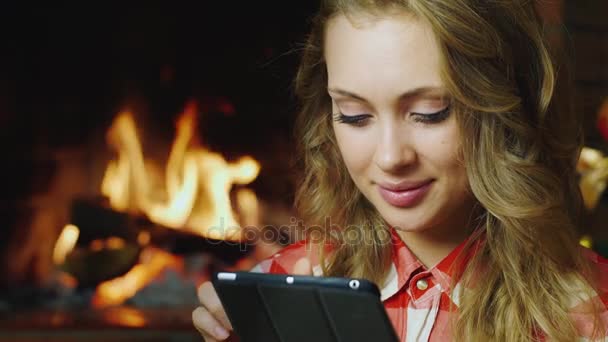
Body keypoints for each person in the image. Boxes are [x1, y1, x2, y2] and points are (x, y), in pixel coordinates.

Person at [193, 0, 608, 340]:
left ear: (504, 110)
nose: (390, 158)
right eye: (354, 115)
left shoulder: (593, 311)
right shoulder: (281, 286)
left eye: (430, 113)